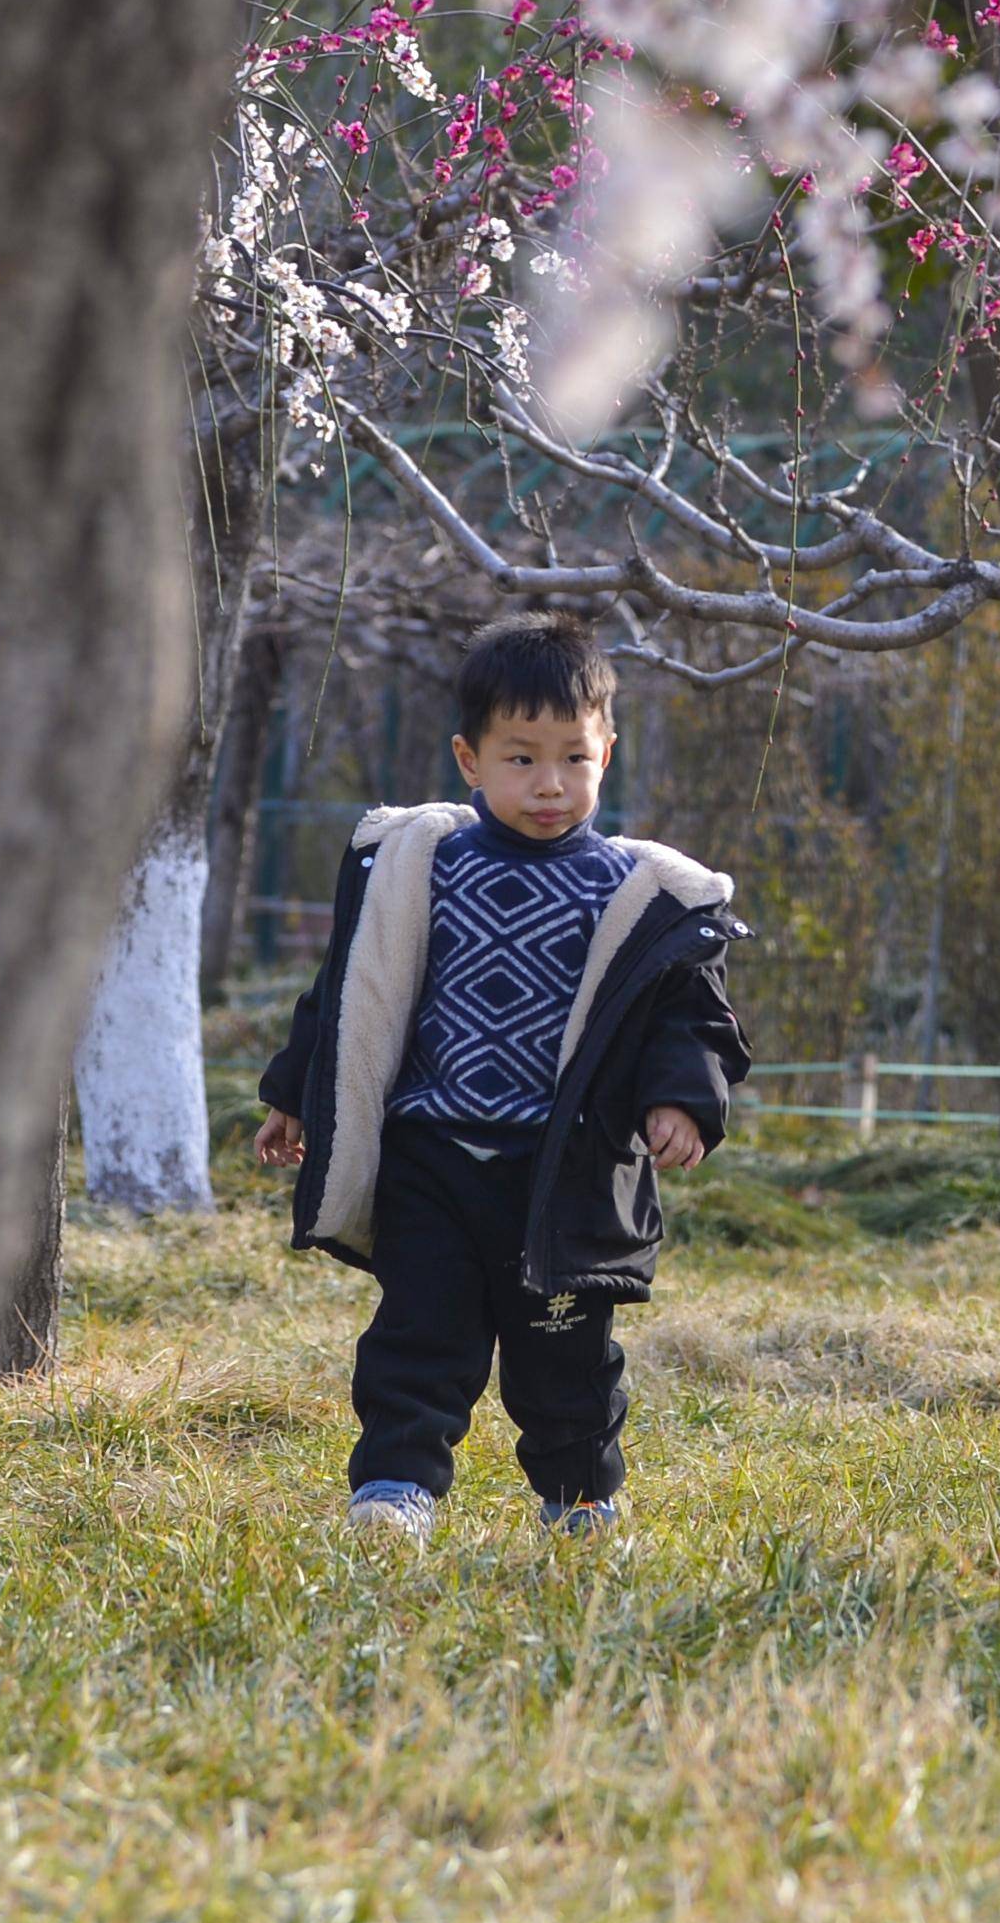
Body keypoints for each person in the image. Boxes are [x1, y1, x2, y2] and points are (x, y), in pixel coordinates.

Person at [254, 613, 750, 1541]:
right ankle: (396, 1490)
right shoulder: (422, 867)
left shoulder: (636, 894)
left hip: (560, 1171)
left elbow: (689, 1014)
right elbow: (348, 991)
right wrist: (295, 1091)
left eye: (574, 758)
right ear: (469, 760)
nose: (551, 785)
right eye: (521, 759)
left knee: (564, 1351)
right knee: (418, 1333)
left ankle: (583, 1499)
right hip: (431, 1153)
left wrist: (682, 1098)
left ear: (609, 749)